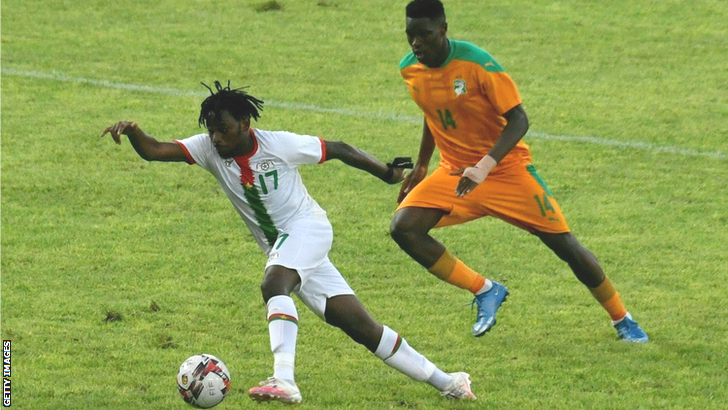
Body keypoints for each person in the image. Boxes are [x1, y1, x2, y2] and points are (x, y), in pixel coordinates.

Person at [101, 81, 477, 404]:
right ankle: (450, 383)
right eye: (212, 130)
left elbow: (338, 148)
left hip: (307, 229)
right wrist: (134, 131)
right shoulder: (208, 150)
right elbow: (155, 150)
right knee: (362, 328)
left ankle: (285, 379)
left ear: (246, 124)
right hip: (287, 248)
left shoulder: (278, 145)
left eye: (225, 130)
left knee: (273, 283)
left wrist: (386, 173)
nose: (217, 138)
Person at [390, 0, 648, 342]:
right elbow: (432, 111)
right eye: (410, 35)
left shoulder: (478, 65)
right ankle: (485, 290)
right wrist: (423, 163)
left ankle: (622, 318)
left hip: (506, 171)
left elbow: (519, 119)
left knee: (565, 246)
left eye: (423, 35)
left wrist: (485, 166)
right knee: (404, 228)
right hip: (455, 175)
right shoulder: (411, 68)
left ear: (443, 30)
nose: (416, 43)